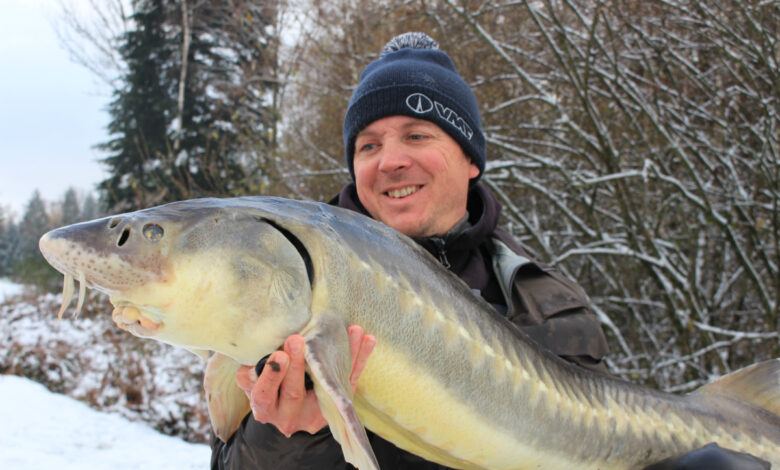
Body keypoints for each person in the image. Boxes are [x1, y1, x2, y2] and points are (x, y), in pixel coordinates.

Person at [211, 33, 767, 470]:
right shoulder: (282, 288)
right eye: (369, 145)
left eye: (417, 135)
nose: (390, 161)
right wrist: (297, 441)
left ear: (470, 157)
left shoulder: (548, 301)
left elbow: (592, 451)